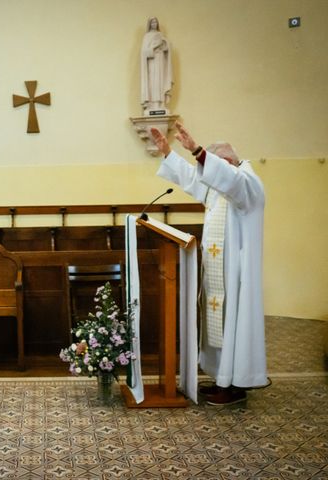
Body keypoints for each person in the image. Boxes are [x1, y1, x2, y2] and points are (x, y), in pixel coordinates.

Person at [150, 122, 268, 405]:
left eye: (215, 164)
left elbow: (231, 182)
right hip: (219, 272)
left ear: (227, 162)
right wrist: (168, 153)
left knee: (231, 322)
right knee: (217, 320)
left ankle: (233, 385)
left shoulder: (247, 182)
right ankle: (221, 378)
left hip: (235, 275)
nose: (211, 172)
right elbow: (193, 179)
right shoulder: (220, 186)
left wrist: (197, 150)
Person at [140, 17, 172, 115]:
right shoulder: (147, 36)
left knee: (159, 82)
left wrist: (165, 45)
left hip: (160, 60)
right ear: (149, 24)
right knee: (153, 83)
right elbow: (144, 52)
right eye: (152, 22)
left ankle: (160, 104)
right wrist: (154, 47)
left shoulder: (160, 35)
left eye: (156, 22)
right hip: (151, 62)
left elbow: (167, 49)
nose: (154, 24)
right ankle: (152, 105)